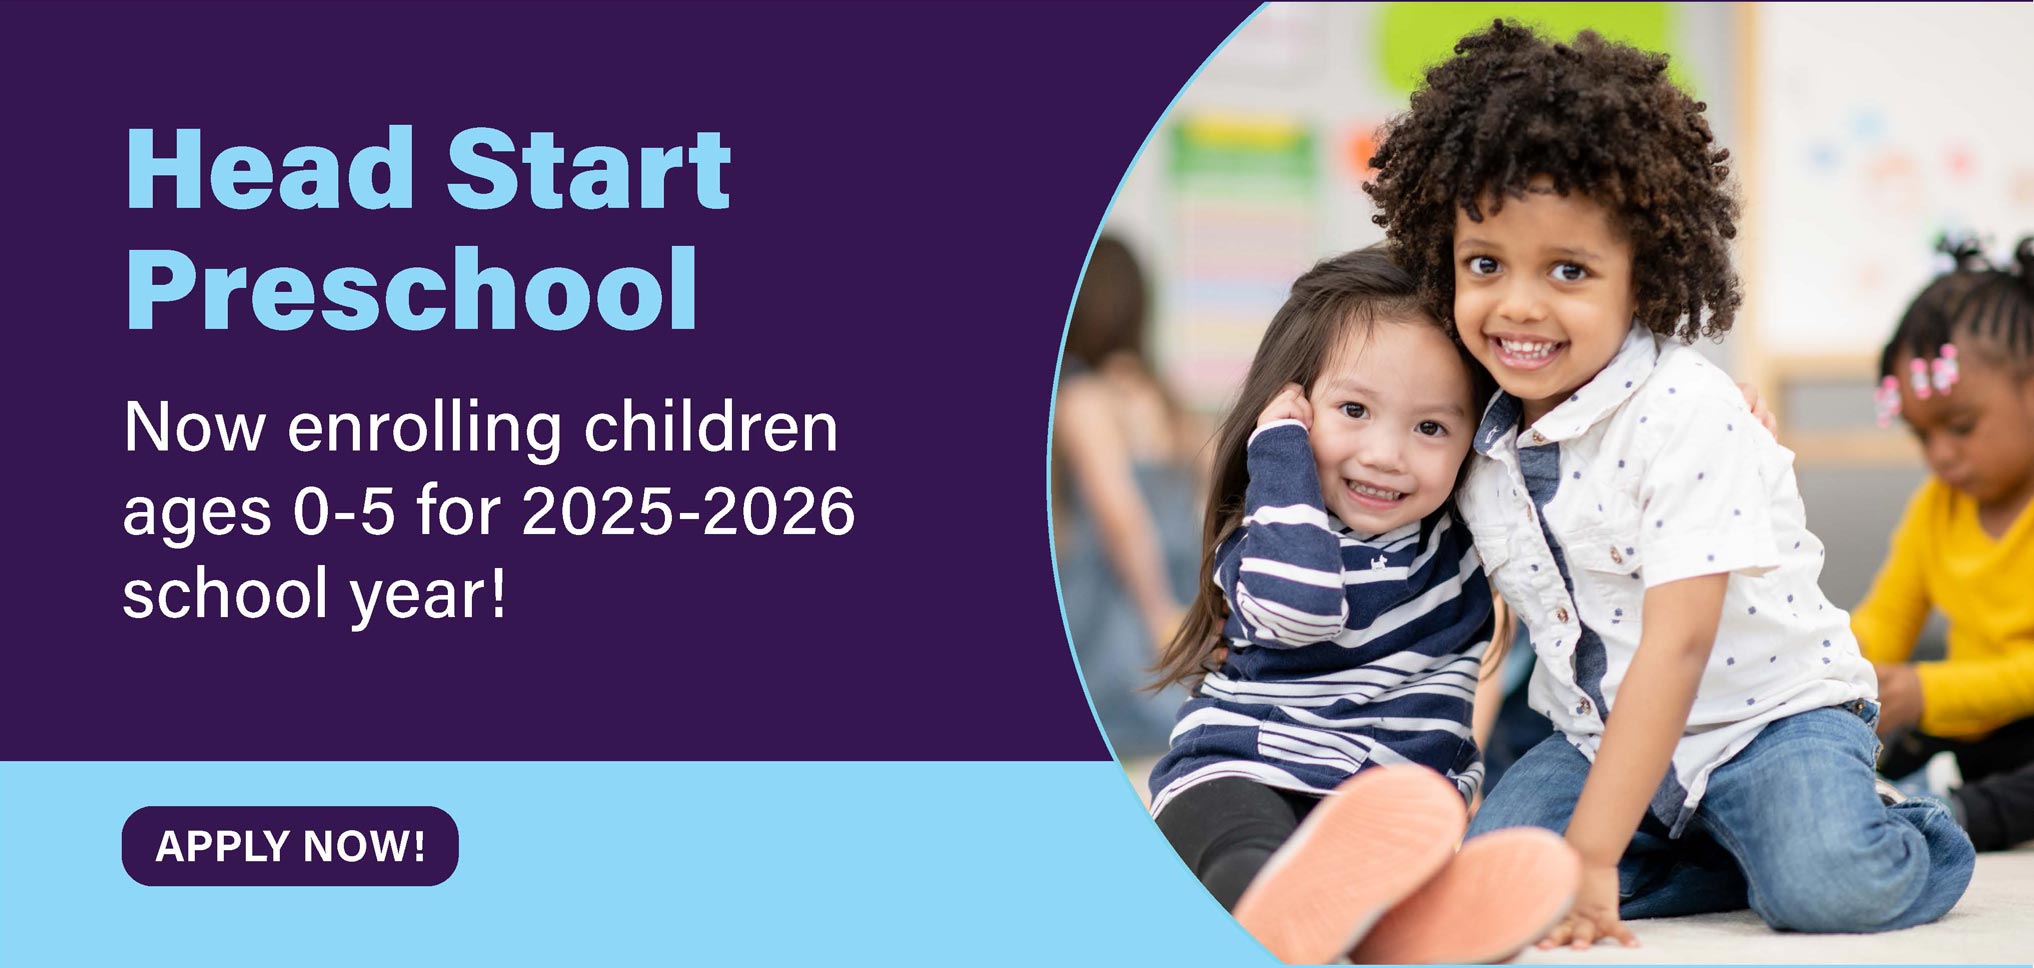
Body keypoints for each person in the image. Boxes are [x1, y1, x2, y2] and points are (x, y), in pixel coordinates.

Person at [1363, 20, 1976, 947]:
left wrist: (1598, 854)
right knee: (1500, 878)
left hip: (1767, 721)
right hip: (1597, 741)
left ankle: (1915, 823)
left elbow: (1679, 649)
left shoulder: (1686, 412)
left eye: (1569, 270)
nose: (1519, 304)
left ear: (1641, 280)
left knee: (1828, 888)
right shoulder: (1479, 433)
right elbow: (1486, 622)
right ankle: (1735, 856)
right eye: (1485, 264)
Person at [1147, 246, 1578, 965]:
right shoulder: (1276, 525)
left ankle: (1387, 924)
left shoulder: (1470, 539)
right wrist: (1279, 454)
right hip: (1245, 768)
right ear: (1292, 406)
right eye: (1353, 410)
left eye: (1431, 428)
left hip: (1381, 812)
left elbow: (1594, 507)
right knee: (1246, 846)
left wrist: (1698, 424)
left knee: (1410, 853)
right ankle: (1277, 919)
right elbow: (1300, 612)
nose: (1386, 454)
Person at [1856, 235, 2034, 853]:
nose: (1940, 456)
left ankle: (1959, 812)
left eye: (1960, 427)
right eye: (1921, 435)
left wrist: (1928, 691)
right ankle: (1912, 798)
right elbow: (1885, 619)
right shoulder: (1936, 508)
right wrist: (1837, 669)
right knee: (1860, 749)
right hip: (1964, 732)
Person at [1053, 235, 1205, 757]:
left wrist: (1158, 610)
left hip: (1126, 603)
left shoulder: (1082, 398)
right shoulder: (1162, 399)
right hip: (1182, 593)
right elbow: (1208, 493)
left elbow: (1121, 518)